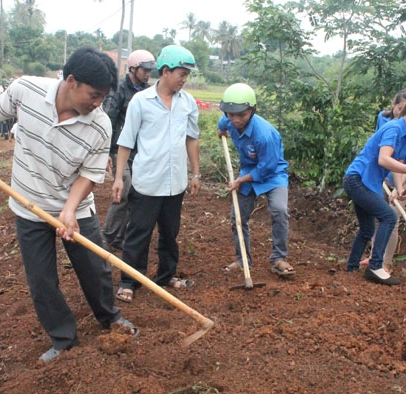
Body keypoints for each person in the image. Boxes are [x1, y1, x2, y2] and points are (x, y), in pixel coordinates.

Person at [0, 46, 139, 364]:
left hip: (76, 209)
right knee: (41, 281)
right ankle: (64, 339)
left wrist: (69, 208)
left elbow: (90, 175)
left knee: (96, 270)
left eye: (103, 97)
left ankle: (110, 318)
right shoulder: (26, 89)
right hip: (29, 204)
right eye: (93, 95)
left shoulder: (100, 125)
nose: (97, 104)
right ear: (71, 81)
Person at [113, 45, 201, 303]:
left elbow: (192, 139)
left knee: (170, 232)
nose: (184, 79)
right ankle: (129, 280)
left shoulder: (188, 103)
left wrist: (196, 174)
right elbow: (126, 141)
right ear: (165, 71)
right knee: (138, 231)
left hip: (176, 183)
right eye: (181, 74)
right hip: (147, 180)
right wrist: (119, 177)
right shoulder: (141, 101)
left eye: (187, 75)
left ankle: (166, 275)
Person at [343, 97, 406, 285]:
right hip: (357, 179)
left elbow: (397, 164)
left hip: (368, 183)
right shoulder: (394, 129)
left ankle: (351, 267)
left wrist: (399, 188)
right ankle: (376, 266)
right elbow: (384, 159)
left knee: (367, 228)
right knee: (388, 217)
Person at [217, 83, 294, 278]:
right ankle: (243, 260)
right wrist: (221, 131)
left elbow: (267, 167)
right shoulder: (229, 121)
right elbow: (222, 124)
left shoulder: (264, 135)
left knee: (279, 210)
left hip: (273, 173)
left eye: (241, 115)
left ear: (251, 110)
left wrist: (240, 180)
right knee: (238, 218)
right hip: (248, 172)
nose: (235, 119)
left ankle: (278, 258)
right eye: (230, 114)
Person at [101, 49, 156, 251]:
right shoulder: (119, 90)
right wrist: (106, 152)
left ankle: (121, 237)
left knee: (136, 194)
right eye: (145, 70)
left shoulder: (149, 92)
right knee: (122, 192)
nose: (148, 74)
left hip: (140, 152)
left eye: (150, 70)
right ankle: (106, 237)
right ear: (133, 69)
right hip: (119, 150)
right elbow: (109, 121)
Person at [361, 88, 406, 272]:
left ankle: (385, 264)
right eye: (399, 107)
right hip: (382, 177)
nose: (400, 111)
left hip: (403, 178)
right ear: (394, 104)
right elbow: (380, 149)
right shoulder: (383, 119)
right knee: (378, 217)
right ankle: (373, 258)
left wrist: (398, 188)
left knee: (391, 219)